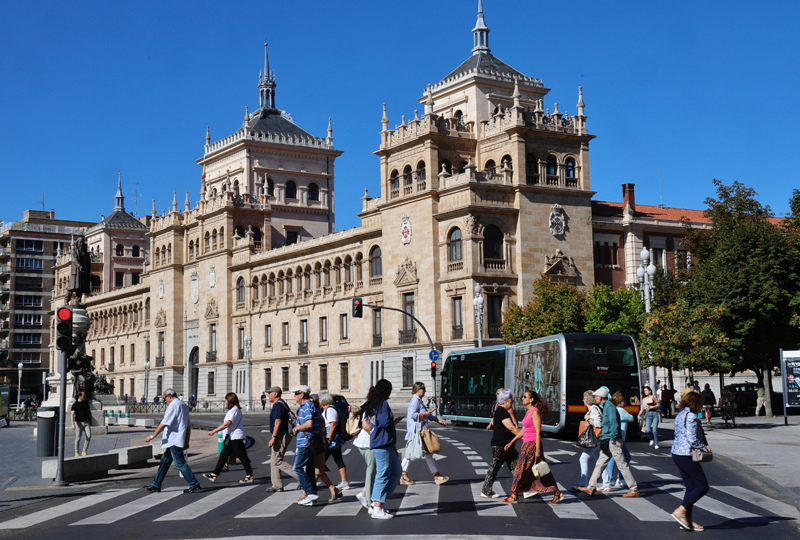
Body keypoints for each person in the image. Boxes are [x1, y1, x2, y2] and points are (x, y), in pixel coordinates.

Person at [501, 390, 563, 504]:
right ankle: (557, 493)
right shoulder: (528, 412)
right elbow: (523, 431)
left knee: (519, 470)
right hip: (526, 445)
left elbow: (538, 432)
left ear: (531, 399)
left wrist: (538, 450)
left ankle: (514, 495)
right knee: (542, 471)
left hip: (533, 445)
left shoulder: (535, 412)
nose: (522, 398)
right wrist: (512, 441)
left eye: (524, 396)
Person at [577, 387, 639, 498]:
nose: (594, 398)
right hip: (607, 439)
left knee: (622, 465)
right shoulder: (606, 406)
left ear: (600, 397)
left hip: (612, 440)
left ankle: (634, 489)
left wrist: (613, 438)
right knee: (599, 464)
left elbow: (614, 424)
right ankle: (591, 487)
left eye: (596, 396)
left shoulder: (609, 407)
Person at [144, 389, 201, 493]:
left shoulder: (173, 406)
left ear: (169, 396)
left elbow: (163, 423)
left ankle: (194, 483)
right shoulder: (183, 405)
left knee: (180, 464)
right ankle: (156, 484)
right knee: (164, 462)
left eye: (164, 398)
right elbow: (188, 426)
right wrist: (187, 441)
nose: (165, 400)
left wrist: (152, 436)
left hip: (174, 439)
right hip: (176, 440)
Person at [670, 391, 712, 532]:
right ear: (694, 404)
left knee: (691, 488)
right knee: (702, 486)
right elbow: (692, 439)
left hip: (677, 453)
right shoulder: (692, 417)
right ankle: (681, 511)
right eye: (700, 404)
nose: (701, 407)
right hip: (686, 454)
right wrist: (704, 448)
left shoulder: (680, 415)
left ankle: (686, 519)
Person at [364, 378, 403, 520]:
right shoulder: (382, 404)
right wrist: (392, 423)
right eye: (389, 391)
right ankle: (377, 507)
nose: (390, 394)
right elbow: (384, 422)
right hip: (382, 444)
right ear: (385, 391)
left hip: (384, 443)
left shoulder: (375, 404)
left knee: (396, 472)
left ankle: (377, 503)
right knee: (383, 475)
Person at [400, 382, 449, 486]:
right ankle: (403, 474)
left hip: (420, 431)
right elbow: (413, 415)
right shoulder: (415, 401)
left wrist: (437, 420)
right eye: (423, 389)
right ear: (418, 390)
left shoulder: (419, 401)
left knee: (428, 453)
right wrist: (424, 414)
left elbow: (427, 415)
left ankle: (436, 475)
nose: (425, 391)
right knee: (410, 453)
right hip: (416, 432)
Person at [203, 393, 254, 483]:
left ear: (230, 401)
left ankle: (249, 475)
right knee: (223, 455)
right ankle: (215, 474)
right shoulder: (234, 410)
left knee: (243, 457)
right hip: (231, 437)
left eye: (226, 400)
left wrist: (214, 431)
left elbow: (227, 424)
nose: (225, 402)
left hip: (236, 437)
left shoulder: (234, 410)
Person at [481, 390, 520, 498]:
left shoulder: (503, 410)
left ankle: (525, 488)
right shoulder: (501, 411)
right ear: (505, 400)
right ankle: (486, 490)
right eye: (511, 399)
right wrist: (524, 436)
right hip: (500, 445)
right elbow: (511, 427)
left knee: (517, 466)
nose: (512, 401)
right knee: (495, 467)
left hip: (507, 445)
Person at [266, 386, 297, 491]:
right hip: (282, 434)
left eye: (269, 393)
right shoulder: (281, 403)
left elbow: (278, 422)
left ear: (275, 394)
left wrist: (274, 437)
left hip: (280, 435)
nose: (268, 395)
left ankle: (302, 477)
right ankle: (277, 485)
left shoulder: (278, 405)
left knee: (277, 461)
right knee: (274, 460)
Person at [320, 391, 350, 490]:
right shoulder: (327, 410)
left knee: (319, 462)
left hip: (331, 439)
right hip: (333, 439)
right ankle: (344, 482)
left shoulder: (330, 410)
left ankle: (310, 485)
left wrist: (328, 438)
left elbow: (333, 425)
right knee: (338, 459)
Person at [354, 387, 377, 512]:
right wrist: (377, 436)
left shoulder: (373, 406)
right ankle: (369, 501)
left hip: (368, 442)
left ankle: (364, 493)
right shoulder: (371, 407)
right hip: (366, 443)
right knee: (371, 470)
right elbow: (365, 425)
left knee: (374, 470)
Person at [605, 392, 634, 490]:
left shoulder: (613, 410)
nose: (625, 402)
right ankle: (618, 479)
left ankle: (612, 479)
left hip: (617, 438)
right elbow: (631, 418)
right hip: (620, 438)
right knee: (625, 458)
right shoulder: (621, 411)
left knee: (614, 458)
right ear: (619, 402)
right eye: (624, 401)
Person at [576, 390, 603, 488]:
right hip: (597, 439)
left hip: (594, 439)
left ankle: (583, 484)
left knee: (583, 459)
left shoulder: (594, 409)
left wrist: (588, 419)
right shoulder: (593, 409)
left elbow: (598, 424)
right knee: (599, 461)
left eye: (584, 398)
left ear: (586, 400)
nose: (583, 400)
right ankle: (606, 483)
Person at [70, 391, 92, 456]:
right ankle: (76, 452)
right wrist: (73, 424)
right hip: (78, 423)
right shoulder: (75, 404)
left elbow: (89, 412)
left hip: (86, 422)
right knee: (78, 438)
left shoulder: (86, 403)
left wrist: (90, 420)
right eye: (84, 396)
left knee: (89, 436)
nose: (85, 397)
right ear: (80, 396)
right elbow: (72, 414)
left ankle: (84, 450)